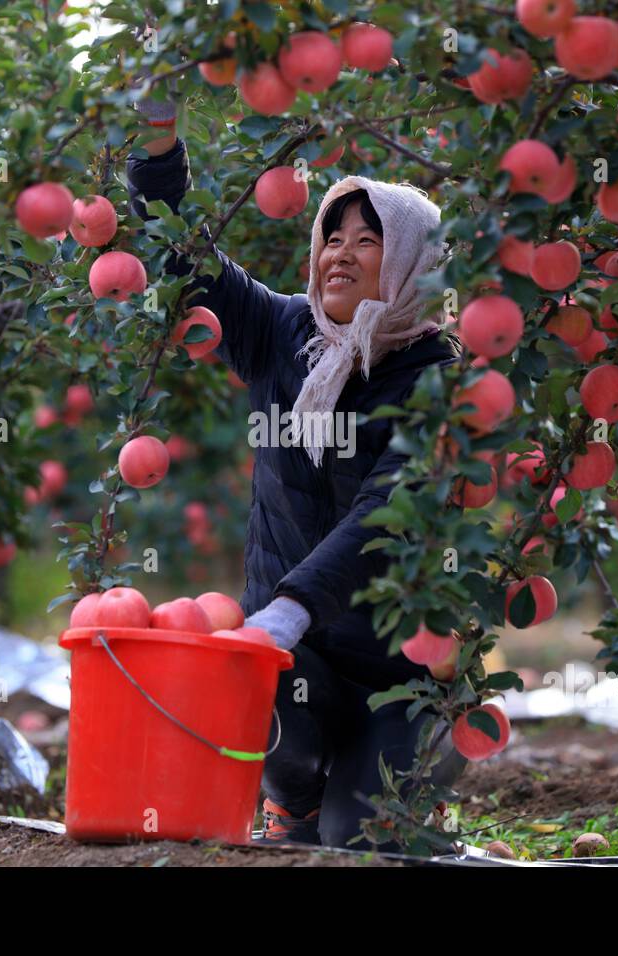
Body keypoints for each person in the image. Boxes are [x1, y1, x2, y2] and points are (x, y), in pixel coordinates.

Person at [126, 87, 468, 851]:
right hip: (296, 662)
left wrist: (285, 609)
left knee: (362, 848)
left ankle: (387, 802)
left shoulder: (440, 375)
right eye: (332, 235)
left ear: (414, 258)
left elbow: (391, 506)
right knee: (260, 689)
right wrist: (155, 143)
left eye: (368, 239)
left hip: (397, 675)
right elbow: (184, 253)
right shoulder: (284, 331)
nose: (341, 251)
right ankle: (294, 795)